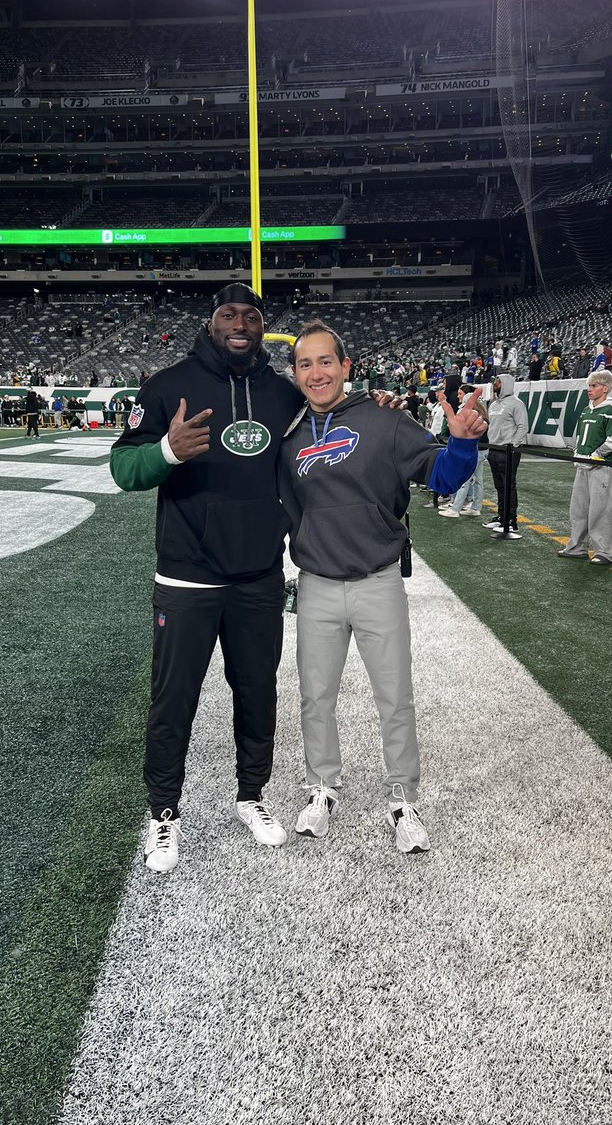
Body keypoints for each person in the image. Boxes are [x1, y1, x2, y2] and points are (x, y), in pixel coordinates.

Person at [109, 283, 304, 874]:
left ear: (262, 326)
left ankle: (251, 797)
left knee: (258, 692)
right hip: (188, 576)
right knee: (174, 701)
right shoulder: (169, 385)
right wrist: (166, 451)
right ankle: (163, 814)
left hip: (259, 577)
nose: (240, 323)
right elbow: (123, 468)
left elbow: (309, 467)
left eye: (251, 315)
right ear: (211, 322)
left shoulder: (282, 393)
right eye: (228, 314)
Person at [277, 323, 486, 853]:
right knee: (315, 697)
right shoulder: (289, 431)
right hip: (318, 584)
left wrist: (461, 444)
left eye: (326, 362)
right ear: (294, 373)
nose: (316, 373)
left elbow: (440, 476)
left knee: (394, 698)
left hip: (377, 580)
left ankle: (402, 797)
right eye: (305, 364)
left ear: (347, 367)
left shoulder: (387, 419)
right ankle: (322, 786)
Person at [558, 370, 612, 565]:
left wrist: (596, 456)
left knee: (600, 510)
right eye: (589, 386)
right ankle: (577, 546)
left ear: (606, 388)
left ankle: (604, 551)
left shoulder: (610, 410)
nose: (590, 389)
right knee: (578, 509)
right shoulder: (587, 410)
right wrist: (580, 452)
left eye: (594, 386)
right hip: (583, 465)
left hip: (599, 467)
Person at [485, 373, 529, 538]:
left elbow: (523, 427)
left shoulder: (517, 404)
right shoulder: (494, 404)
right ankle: (502, 517)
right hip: (493, 449)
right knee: (499, 486)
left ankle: (511, 520)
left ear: (506, 383)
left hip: (507, 451)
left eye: (498, 381)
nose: (495, 384)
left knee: (509, 485)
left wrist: (512, 446)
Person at [439, 383, 489, 518]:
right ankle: (476, 507)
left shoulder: (472, 414)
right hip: (482, 449)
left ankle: (456, 508)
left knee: (464, 479)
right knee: (478, 480)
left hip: (473, 449)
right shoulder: (482, 412)